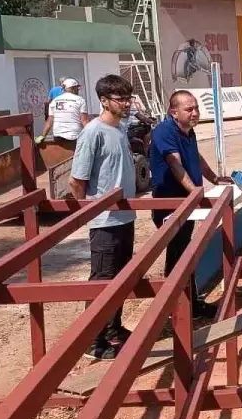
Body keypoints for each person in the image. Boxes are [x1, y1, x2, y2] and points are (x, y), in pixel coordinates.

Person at [69, 75, 137, 360]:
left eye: (127, 98)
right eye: (120, 99)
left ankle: (112, 328)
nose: (126, 103)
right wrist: (92, 212)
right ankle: (91, 340)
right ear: (104, 101)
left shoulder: (120, 129)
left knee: (121, 278)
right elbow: (76, 181)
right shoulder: (92, 133)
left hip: (125, 217)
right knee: (102, 279)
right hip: (105, 222)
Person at [149, 90, 230, 319]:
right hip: (171, 206)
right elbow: (175, 165)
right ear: (173, 112)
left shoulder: (187, 131)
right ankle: (177, 308)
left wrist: (214, 178)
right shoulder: (164, 132)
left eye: (196, 108)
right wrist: (196, 193)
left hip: (187, 205)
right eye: (189, 109)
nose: (195, 113)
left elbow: (195, 157)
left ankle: (190, 304)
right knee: (177, 257)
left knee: (185, 253)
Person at [38, 78, 91, 150]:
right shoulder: (80, 100)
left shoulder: (54, 101)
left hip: (58, 137)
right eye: (77, 88)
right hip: (74, 137)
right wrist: (92, 135)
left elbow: (49, 122)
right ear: (73, 88)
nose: (78, 90)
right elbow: (84, 121)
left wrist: (43, 136)